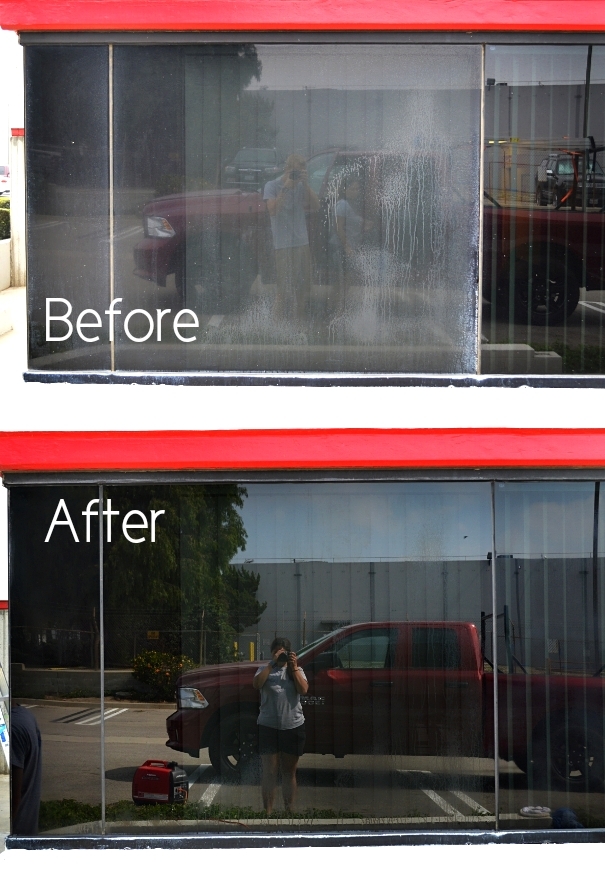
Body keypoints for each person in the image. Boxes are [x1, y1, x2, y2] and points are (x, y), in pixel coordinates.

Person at [252, 636, 308, 814]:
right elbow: (256, 684)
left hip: (293, 726)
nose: (280, 655)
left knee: (289, 772)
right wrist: (272, 664)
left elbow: (303, 689)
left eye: (284, 652)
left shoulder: (297, 670)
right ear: (272, 652)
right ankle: (267, 812)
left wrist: (293, 667)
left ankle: (289, 810)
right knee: (269, 772)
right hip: (268, 727)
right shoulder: (264, 670)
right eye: (277, 651)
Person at [264, 154, 319, 322]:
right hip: (283, 245)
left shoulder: (302, 187)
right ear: (286, 169)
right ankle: (275, 326)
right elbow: (273, 210)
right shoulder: (272, 185)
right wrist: (287, 186)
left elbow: (316, 206)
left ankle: (298, 320)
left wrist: (305, 183)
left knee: (302, 288)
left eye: (301, 171)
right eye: (295, 171)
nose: (297, 174)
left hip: (302, 243)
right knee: (284, 290)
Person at [10, 704, 42, 835]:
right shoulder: (24, 716)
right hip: (25, 831)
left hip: (16, 834)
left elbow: (12, 796)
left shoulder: (12, 728)